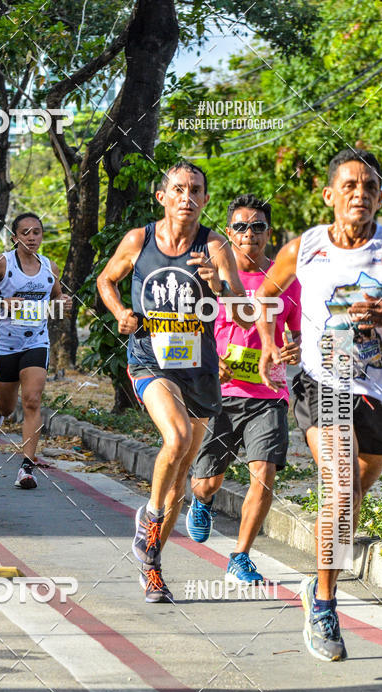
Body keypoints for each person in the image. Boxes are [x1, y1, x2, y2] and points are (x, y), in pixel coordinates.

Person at [257, 148, 382, 662]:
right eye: (350, 186)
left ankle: (318, 582)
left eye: (371, 187)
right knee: (342, 484)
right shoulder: (304, 247)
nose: (361, 194)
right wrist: (268, 340)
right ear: (330, 195)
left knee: (355, 489)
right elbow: (266, 294)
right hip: (321, 381)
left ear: (380, 197)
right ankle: (326, 600)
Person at [97, 161, 244, 603]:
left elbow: (239, 306)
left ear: (205, 199)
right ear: (162, 197)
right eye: (178, 189)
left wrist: (215, 282)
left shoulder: (216, 246)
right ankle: (151, 518)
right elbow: (107, 279)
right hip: (150, 358)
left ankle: (152, 564)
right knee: (176, 437)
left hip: (198, 366)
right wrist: (121, 313)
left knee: (181, 471)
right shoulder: (139, 240)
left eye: (195, 189)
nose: (187, 196)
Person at [185, 194, 302, 585]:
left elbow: (298, 333)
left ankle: (240, 556)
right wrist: (206, 359)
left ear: (269, 233)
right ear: (229, 233)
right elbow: (188, 329)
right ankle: (201, 500)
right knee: (206, 481)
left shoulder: (287, 282)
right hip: (217, 392)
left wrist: (294, 346)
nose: (248, 233)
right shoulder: (210, 279)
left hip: (268, 394)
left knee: (264, 473)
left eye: (257, 227)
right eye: (239, 226)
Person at [0, 212, 71, 489]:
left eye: (36, 232)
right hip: (3, 344)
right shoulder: (3, 263)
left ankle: (27, 467)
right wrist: (1, 301)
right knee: (8, 407)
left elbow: (55, 297)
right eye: (25, 232)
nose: (31, 237)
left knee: (33, 401)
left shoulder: (50, 267)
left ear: (41, 236)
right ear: (15, 238)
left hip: (36, 341)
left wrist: (63, 302)